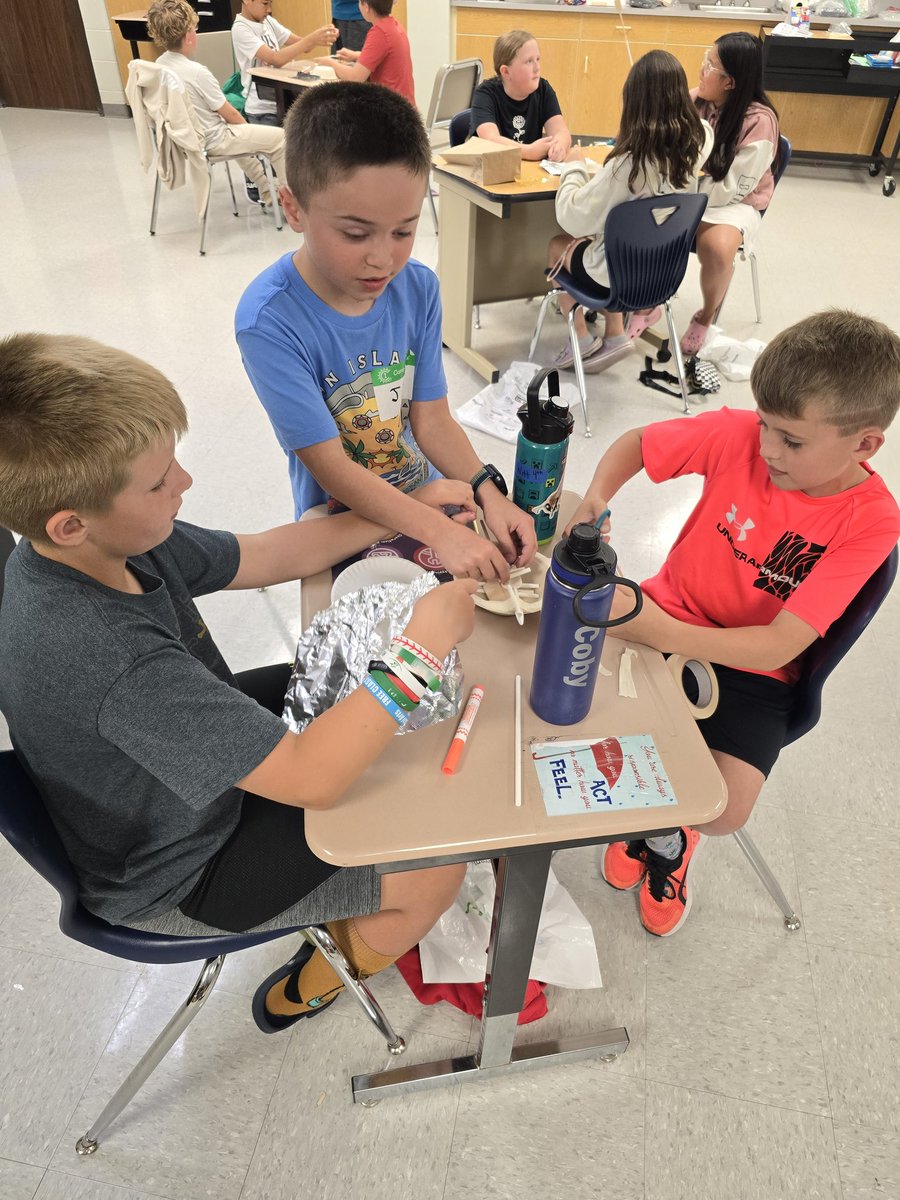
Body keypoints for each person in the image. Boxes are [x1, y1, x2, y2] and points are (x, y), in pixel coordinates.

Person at [0, 332, 478, 1033]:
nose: (184, 485)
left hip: (180, 784)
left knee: (346, 694)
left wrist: (412, 512)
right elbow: (312, 778)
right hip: (181, 872)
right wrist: (420, 647)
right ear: (71, 523)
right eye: (161, 481)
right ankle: (302, 990)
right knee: (437, 870)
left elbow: (262, 554)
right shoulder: (106, 655)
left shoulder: (106, 543)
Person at [568, 310, 900, 936]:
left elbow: (780, 641)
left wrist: (650, 629)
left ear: (864, 444)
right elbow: (637, 445)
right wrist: (597, 497)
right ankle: (653, 820)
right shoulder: (743, 435)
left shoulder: (871, 522)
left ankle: (667, 834)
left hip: (757, 667)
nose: (767, 449)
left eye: (792, 441)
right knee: (571, 719)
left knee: (719, 808)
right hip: (671, 612)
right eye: (766, 427)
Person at [236, 82, 537, 584]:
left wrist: (489, 492)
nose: (384, 258)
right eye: (355, 234)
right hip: (340, 519)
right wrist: (435, 528)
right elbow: (331, 468)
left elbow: (433, 421)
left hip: (428, 495)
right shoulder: (270, 322)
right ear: (294, 209)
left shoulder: (416, 289)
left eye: (404, 231)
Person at [546, 50, 713, 376]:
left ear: (634, 103)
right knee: (607, 239)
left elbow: (572, 215)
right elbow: (700, 120)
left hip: (620, 275)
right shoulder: (701, 138)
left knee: (559, 243)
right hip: (661, 272)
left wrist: (574, 168)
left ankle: (579, 336)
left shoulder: (629, 165)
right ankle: (614, 334)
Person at [681, 32, 780, 356]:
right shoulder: (701, 101)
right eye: (706, 60)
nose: (701, 69)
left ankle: (706, 315)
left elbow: (731, 189)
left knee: (716, 248)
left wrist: (685, 193)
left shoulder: (759, 122)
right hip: (695, 190)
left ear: (731, 83)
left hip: (736, 202)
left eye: (710, 65)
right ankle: (648, 302)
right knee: (645, 223)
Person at [146, 0, 286, 209]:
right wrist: (251, 133)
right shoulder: (197, 72)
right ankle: (292, 202)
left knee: (238, 134)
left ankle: (267, 191)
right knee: (278, 138)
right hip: (211, 141)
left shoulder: (158, 67)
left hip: (180, 140)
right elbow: (231, 115)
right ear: (188, 35)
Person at [468, 30, 571, 163]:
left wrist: (560, 146)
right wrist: (528, 151)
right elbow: (490, 140)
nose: (537, 67)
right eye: (529, 61)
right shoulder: (485, 94)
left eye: (537, 59)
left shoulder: (543, 89)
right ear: (506, 72)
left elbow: (562, 132)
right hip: (492, 172)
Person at [231, 0, 337, 126]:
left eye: (270, 3)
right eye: (265, 4)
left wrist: (320, 37)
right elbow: (275, 59)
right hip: (262, 110)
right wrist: (312, 39)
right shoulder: (240, 28)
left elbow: (301, 45)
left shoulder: (268, 21)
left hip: (282, 100)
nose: (269, 9)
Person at [315, 0, 415, 107]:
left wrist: (330, 63)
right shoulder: (394, 26)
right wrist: (357, 56)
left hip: (390, 111)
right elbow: (387, 57)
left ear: (366, 6)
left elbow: (355, 78)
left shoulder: (379, 32)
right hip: (404, 107)